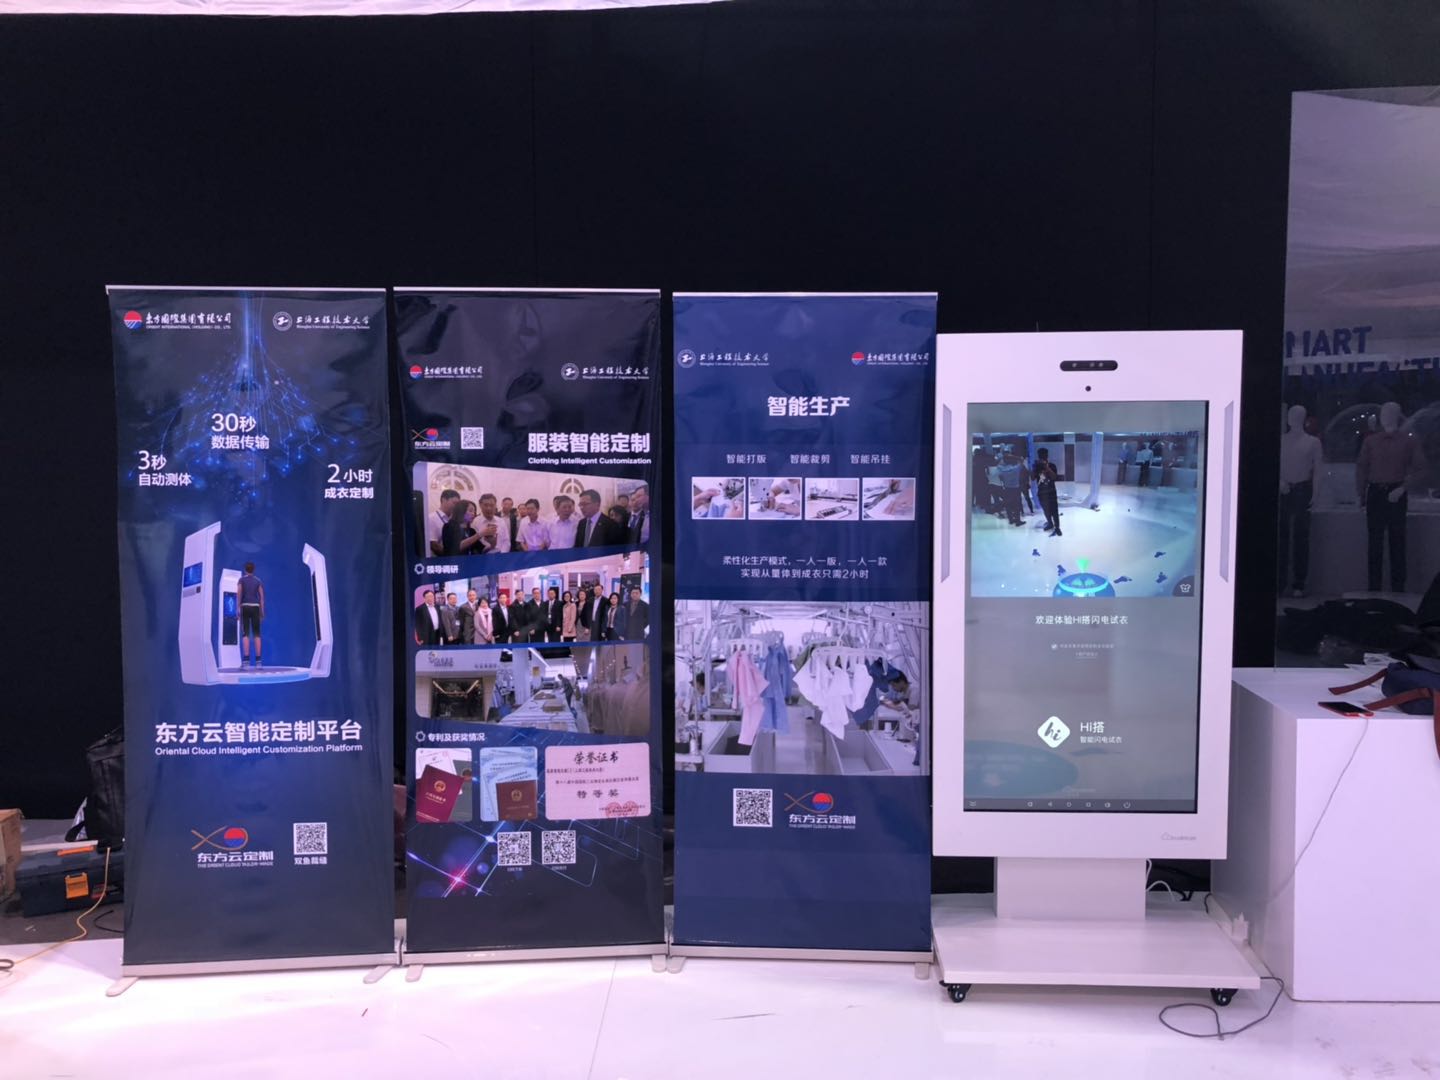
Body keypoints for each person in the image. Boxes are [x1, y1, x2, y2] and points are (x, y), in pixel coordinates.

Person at [237, 561, 265, 666]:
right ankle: (258, 661)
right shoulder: (258, 581)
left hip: (245, 607)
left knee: (246, 634)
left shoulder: (241, 580)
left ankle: (246, 660)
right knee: (257, 634)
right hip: (256, 607)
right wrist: (262, 611)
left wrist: (238, 608)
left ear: (245, 570)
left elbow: (239, 594)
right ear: (253, 570)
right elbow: (262, 598)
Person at [1034, 447, 1061, 536]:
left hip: (1051, 491)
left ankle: (1057, 527)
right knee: (1046, 510)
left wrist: (1047, 467)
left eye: (1043, 455)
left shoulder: (1052, 466)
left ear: (1047, 456)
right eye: (1040, 456)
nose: (1042, 457)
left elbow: (1054, 477)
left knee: (1054, 511)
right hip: (1041, 492)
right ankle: (1050, 523)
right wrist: (1034, 468)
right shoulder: (1037, 467)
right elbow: (1032, 478)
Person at [426, 489, 460, 557]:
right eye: (454, 503)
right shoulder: (431, 518)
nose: (456, 507)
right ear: (443, 500)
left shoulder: (454, 520)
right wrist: (450, 557)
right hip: (439, 559)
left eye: (458, 504)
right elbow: (433, 545)